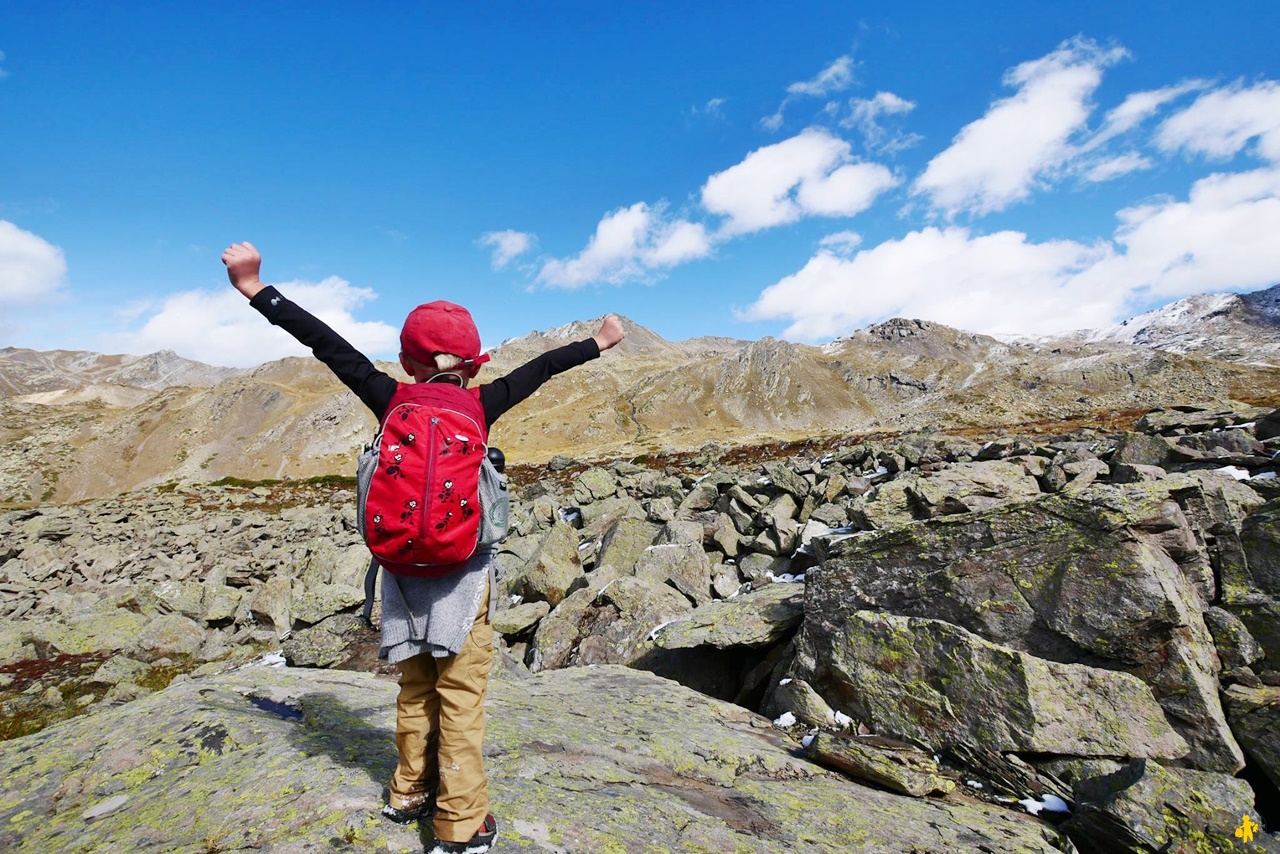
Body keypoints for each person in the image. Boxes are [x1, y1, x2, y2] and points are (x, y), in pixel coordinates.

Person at [222, 241, 625, 854]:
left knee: (415, 686)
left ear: (409, 360)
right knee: (461, 697)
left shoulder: (390, 398)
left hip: (402, 578)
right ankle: (460, 826)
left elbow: (325, 342)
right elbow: (543, 368)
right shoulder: (481, 404)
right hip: (464, 580)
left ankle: (408, 790)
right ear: (474, 363)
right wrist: (597, 343)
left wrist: (256, 289)